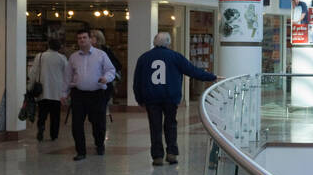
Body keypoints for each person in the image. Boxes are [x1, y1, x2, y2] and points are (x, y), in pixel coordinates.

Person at [131, 31, 216, 166]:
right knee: (171, 125)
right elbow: (192, 71)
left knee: (155, 127)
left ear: (154, 42)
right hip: (170, 97)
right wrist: (212, 77)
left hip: (151, 98)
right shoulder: (175, 57)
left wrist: (139, 98)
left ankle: (157, 156)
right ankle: (172, 153)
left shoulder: (144, 58)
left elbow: (137, 81)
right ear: (168, 42)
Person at [66, 28, 116, 160]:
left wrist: (106, 78)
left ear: (90, 39)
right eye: (79, 38)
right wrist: (64, 93)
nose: (82, 40)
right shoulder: (73, 57)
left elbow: (111, 70)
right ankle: (80, 151)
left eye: (84, 37)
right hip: (78, 94)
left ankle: (99, 145)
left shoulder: (101, 55)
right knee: (76, 124)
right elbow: (68, 76)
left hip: (97, 94)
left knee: (98, 123)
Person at [28, 38, 69, 142]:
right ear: (59, 47)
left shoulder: (40, 56)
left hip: (43, 91)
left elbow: (33, 73)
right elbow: (67, 74)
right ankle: (54, 135)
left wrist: (30, 86)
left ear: (48, 45)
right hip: (57, 92)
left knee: (42, 113)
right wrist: (66, 91)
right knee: (55, 115)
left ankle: (41, 127)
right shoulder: (62, 58)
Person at [92, 28, 121, 120]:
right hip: (91, 83)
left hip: (104, 82)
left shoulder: (105, 51)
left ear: (97, 39)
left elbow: (116, 65)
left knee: (101, 105)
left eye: (91, 37)